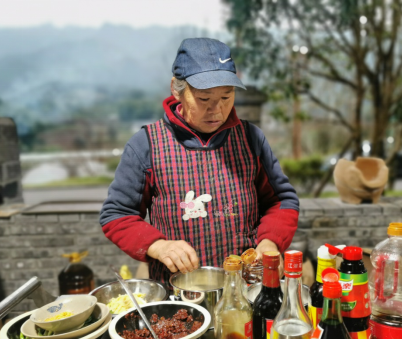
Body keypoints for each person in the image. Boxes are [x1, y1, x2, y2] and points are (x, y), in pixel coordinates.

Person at [100, 38, 299, 286]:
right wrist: (158, 246)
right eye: (204, 99)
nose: (216, 110)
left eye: (227, 97)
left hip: (246, 289)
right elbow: (117, 214)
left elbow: (281, 200)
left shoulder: (251, 139)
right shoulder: (146, 145)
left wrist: (271, 241)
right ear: (176, 89)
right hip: (179, 294)